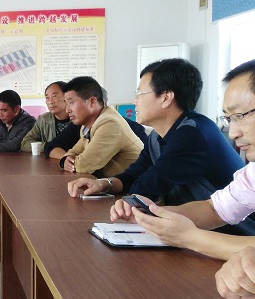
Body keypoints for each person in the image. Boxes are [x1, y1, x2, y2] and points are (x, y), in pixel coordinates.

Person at [110, 59, 255, 263]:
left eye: (240, 116)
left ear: (166, 97)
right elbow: (215, 209)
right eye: (229, 119)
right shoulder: (252, 172)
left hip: (235, 237)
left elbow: (151, 183)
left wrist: (191, 238)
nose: (233, 133)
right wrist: (152, 215)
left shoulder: (194, 133)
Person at [69, 59, 245, 209]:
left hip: (232, 231)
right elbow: (133, 176)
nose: (134, 101)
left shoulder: (193, 134)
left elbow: (147, 188)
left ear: (166, 97)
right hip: (193, 227)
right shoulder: (157, 136)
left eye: (139, 93)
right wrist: (103, 184)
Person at [59, 76, 143, 177]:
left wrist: (72, 162)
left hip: (130, 185)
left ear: (92, 102)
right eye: (66, 104)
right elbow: (74, 151)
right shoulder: (87, 125)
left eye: (71, 103)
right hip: (110, 183)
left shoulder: (110, 124)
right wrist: (66, 159)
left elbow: (84, 166)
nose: (67, 110)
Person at [20, 81, 71, 153]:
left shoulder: (79, 119)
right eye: (47, 97)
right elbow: (25, 143)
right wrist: (48, 146)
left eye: (54, 96)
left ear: (67, 97)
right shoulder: (43, 119)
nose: (50, 102)